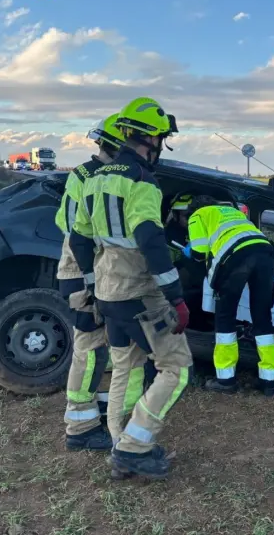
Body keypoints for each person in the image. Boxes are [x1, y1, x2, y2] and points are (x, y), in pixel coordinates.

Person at [69, 96, 191, 480]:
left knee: (126, 365)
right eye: (161, 140)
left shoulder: (94, 177)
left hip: (108, 291)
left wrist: (91, 284)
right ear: (151, 140)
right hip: (140, 292)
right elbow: (150, 238)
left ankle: (120, 444)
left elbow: (79, 239)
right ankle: (134, 448)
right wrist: (176, 297)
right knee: (177, 368)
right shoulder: (142, 181)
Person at [58, 113, 124, 451]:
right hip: (83, 274)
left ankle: (94, 406)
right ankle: (79, 427)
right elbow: (79, 232)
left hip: (91, 273)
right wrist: (91, 278)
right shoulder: (90, 176)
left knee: (100, 349)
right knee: (89, 349)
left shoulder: (88, 175)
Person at [185, 200, 274, 396]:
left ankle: (226, 380)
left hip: (236, 258)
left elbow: (199, 253)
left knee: (225, 317)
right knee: (262, 317)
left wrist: (188, 252)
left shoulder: (198, 215)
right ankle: (269, 381)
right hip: (265, 253)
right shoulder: (233, 212)